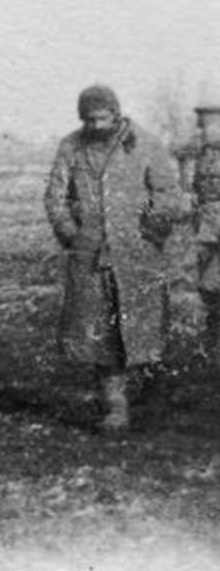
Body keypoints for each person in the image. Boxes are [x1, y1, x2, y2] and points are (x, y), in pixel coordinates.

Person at [44, 84, 183, 432]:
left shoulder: (146, 143)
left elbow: (167, 192)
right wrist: (72, 236)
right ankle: (115, 408)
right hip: (90, 257)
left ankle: (156, 393)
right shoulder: (71, 147)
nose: (94, 126)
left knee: (146, 327)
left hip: (139, 253)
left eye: (101, 118)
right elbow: (55, 198)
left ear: (116, 114)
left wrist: (153, 231)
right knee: (100, 337)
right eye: (88, 119)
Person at [180, 103, 220, 359]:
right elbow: (192, 187)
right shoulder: (202, 154)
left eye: (207, 124)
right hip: (205, 226)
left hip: (215, 227)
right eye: (201, 124)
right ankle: (213, 339)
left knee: (212, 284)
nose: (202, 129)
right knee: (207, 287)